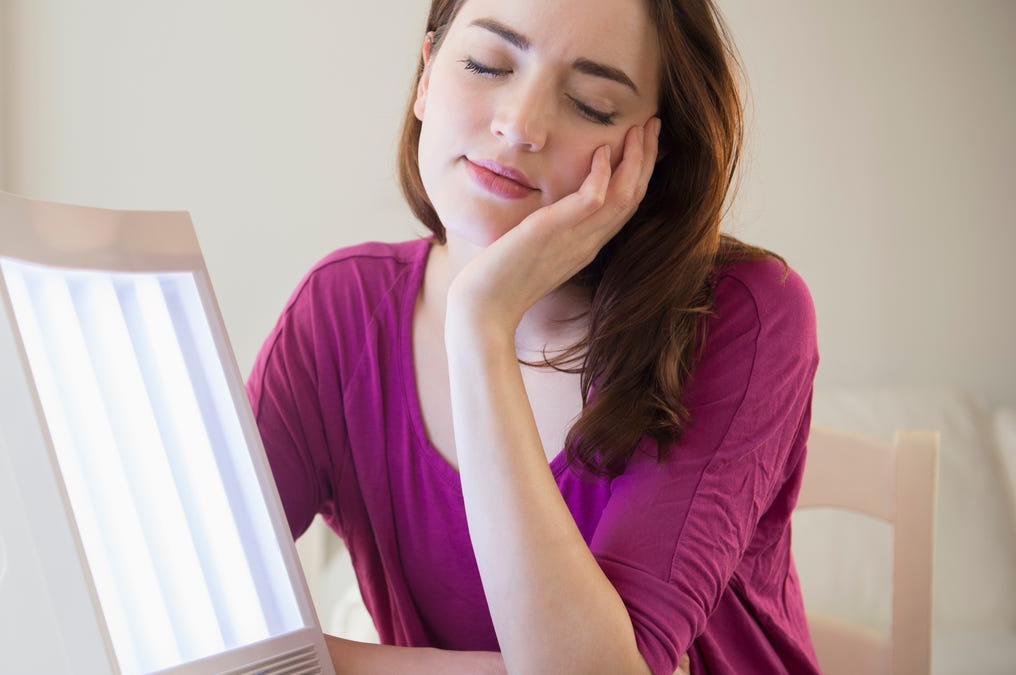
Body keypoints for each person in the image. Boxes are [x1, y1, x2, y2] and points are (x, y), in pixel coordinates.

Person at [247, 0, 821, 672]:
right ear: (426, 76)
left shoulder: (746, 313)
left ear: (654, 154)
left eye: (590, 105)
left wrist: (482, 324)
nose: (519, 126)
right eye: (487, 65)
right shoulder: (340, 312)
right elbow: (199, 623)